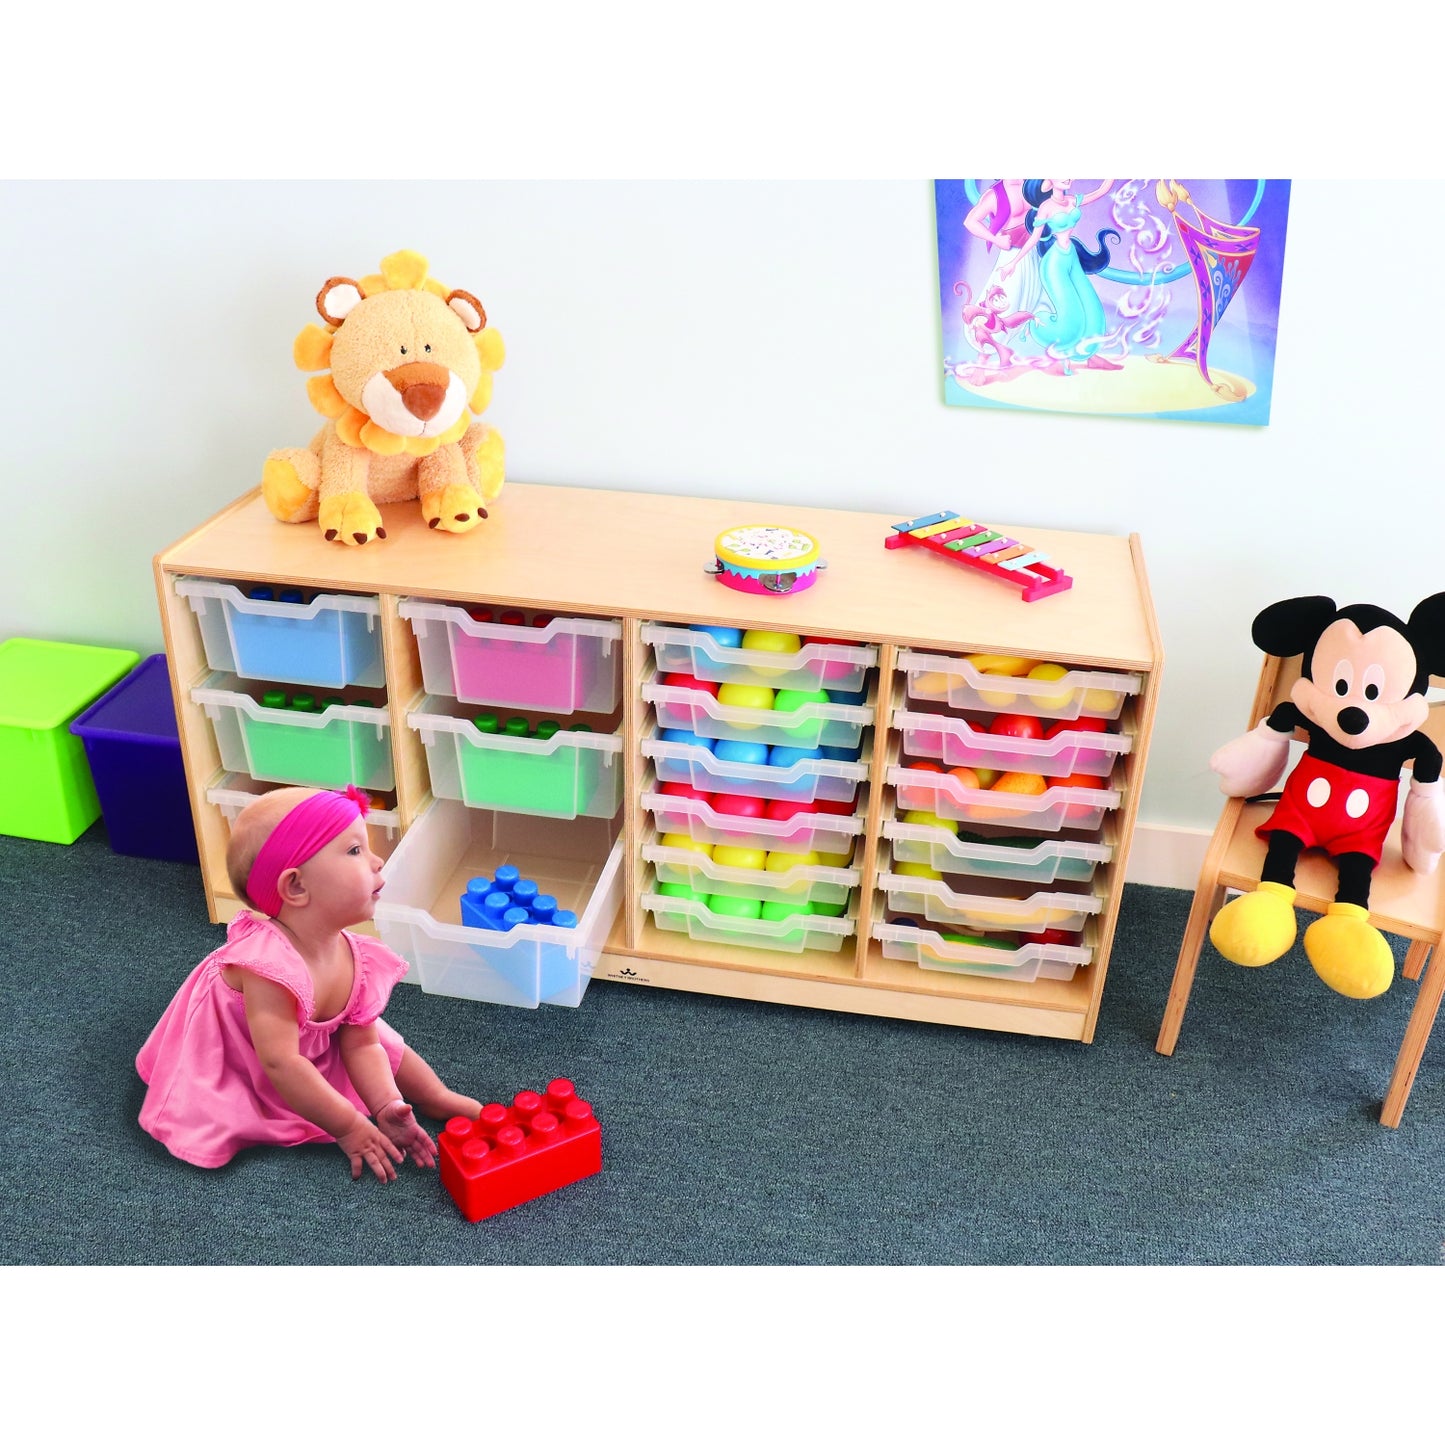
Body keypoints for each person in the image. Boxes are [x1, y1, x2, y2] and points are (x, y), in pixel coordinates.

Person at [136, 784, 481, 1179]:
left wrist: (386, 1104)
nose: (378, 861)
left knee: (383, 1040)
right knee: (223, 1104)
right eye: (355, 851)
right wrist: (348, 1125)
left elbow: (362, 1044)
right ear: (297, 886)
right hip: (247, 1047)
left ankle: (434, 1095)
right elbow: (280, 1062)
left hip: (308, 1036)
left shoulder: (354, 955)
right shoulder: (268, 967)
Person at [1001, 179, 1122, 370]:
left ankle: (1090, 355)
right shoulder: (1046, 207)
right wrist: (1013, 263)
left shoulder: (1073, 200)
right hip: (1054, 263)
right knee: (1071, 311)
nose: (1067, 177)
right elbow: (1034, 238)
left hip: (1070, 255)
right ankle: (1059, 354)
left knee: (1091, 305)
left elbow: (1102, 190)